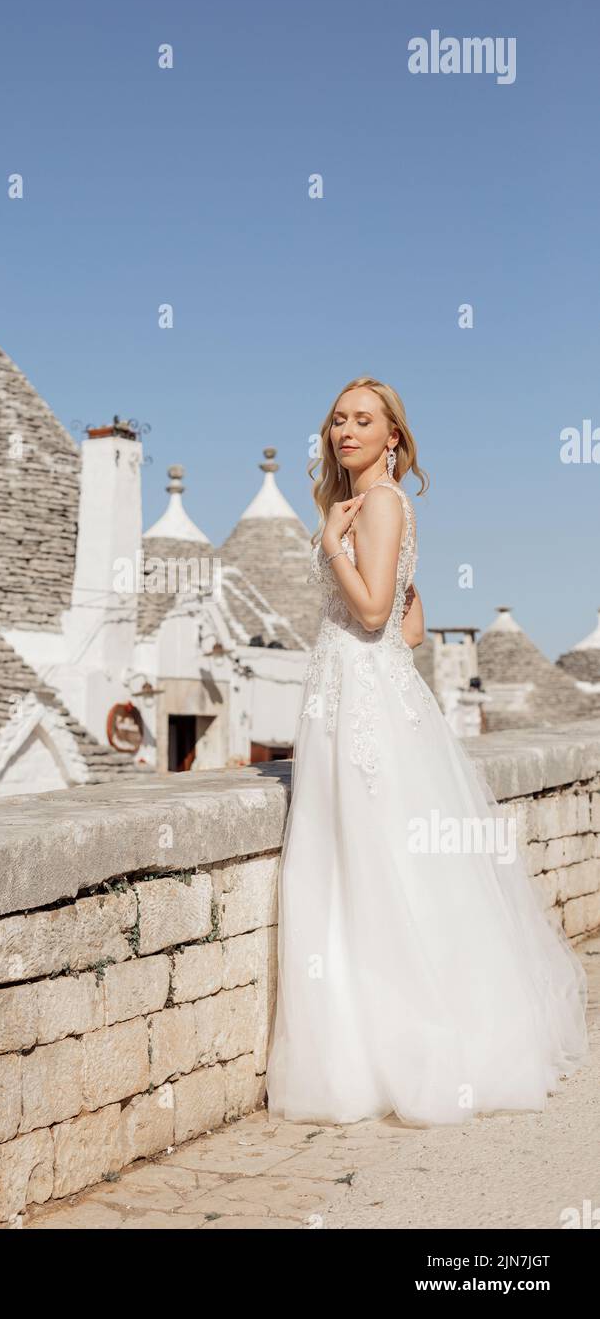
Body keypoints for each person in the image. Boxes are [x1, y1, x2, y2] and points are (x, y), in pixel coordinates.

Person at [265, 375, 589, 1127]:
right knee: (375, 866)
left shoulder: (375, 504)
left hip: (360, 705)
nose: (347, 431)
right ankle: (379, 1050)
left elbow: (375, 611)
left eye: (364, 421)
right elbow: (412, 629)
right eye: (339, 420)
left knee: (364, 868)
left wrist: (329, 547)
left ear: (393, 439)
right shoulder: (381, 507)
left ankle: (391, 1056)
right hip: (364, 697)